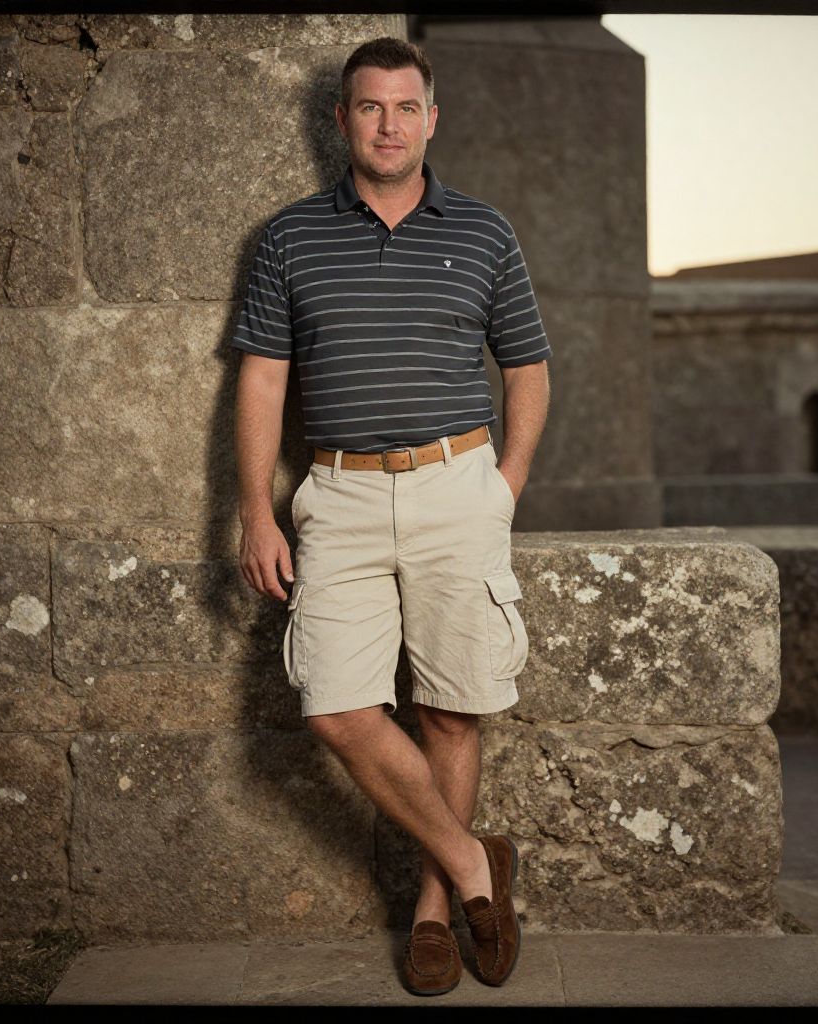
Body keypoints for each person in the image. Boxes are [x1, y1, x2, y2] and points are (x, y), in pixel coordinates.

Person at [231, 36, 551, 995]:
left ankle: (430, 915)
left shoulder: (486, 232)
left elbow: (527, 369)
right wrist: (256, 508)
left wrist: (505, 487)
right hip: (340, 493)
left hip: (460, 487)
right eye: (369, 107)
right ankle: (471, 865)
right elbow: (262, 377)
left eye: (406, 107)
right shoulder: (288, 238)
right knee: (335, 707)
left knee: (452, 712)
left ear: (431, 119)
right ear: (342, 119)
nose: (388, 124)